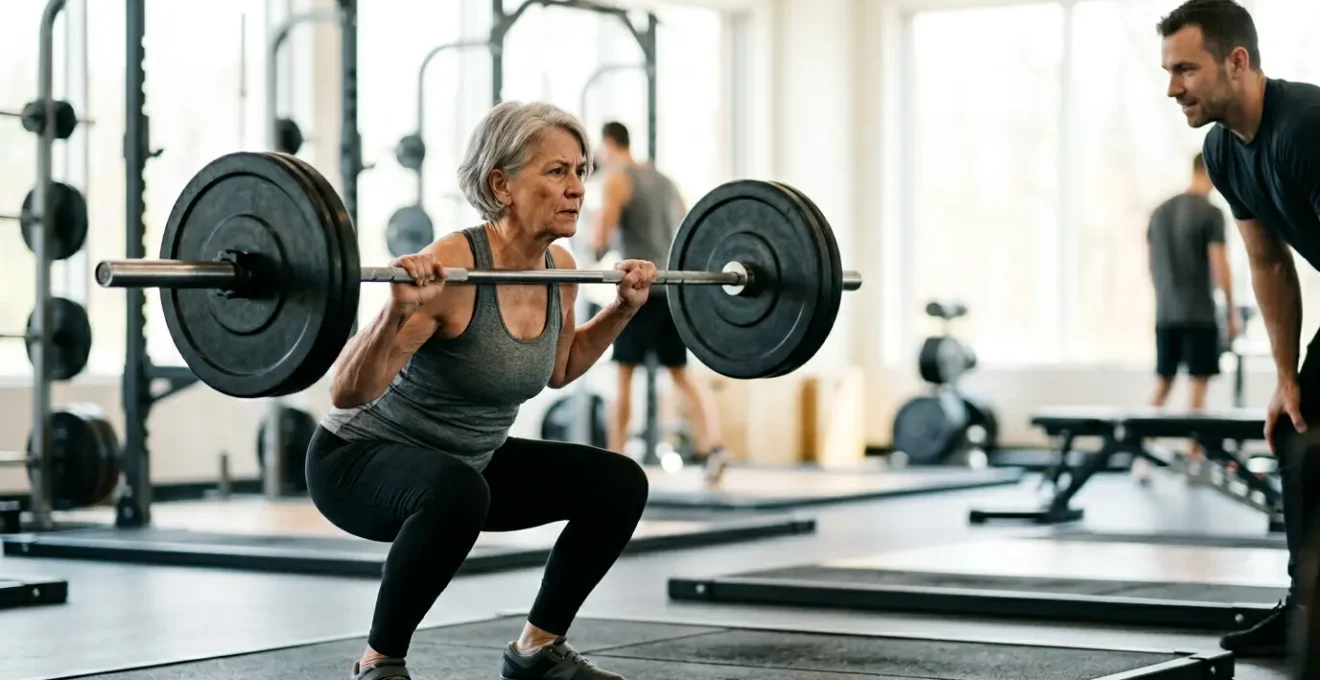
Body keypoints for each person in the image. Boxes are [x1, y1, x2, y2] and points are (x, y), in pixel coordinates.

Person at [307, 101, 658, 680]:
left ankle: (536, 651)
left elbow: (561, 368)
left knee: (618, 483)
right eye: (556, 172)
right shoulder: (452, 266)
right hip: (357, 462)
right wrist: (394, 313)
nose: (576, 189)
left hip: (469, 461)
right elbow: (347, 393)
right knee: (458, 493)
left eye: (580, 172)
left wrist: (621, 310)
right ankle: (378, 662)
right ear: (502, 184)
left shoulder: (559, 269)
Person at [1160, 0, 1320, 658]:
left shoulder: (1308, 128)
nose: (1172, 88)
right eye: (1169, 71)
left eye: (1186, 70)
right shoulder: (1223, 152)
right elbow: (1268, 262)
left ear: (1237, 61)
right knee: (1300, 426)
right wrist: (1287, 378)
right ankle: (1308, 610)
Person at [591, 121, 725, 469]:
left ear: (609, 143)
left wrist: (592, 249)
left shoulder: (617, 179)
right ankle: (714, 447)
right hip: (670, 287)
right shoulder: (666, 181)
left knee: (622, 376)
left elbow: (600, 237)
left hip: (640, 290)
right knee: (681, 375)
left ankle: (615, 461)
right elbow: (687, 226)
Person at [1133, 152, 1239, 482]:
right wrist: (1232, 308)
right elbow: (1218, 264)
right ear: (1210, 171)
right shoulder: (1211, 213)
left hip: (1166, 312)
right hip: (1199, 314)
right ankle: (1194, 459)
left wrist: (1165, 296)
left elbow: (1151, 264)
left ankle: (1141, 454)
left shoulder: (1159, 212)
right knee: (1197, 388)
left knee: (1163, 383)